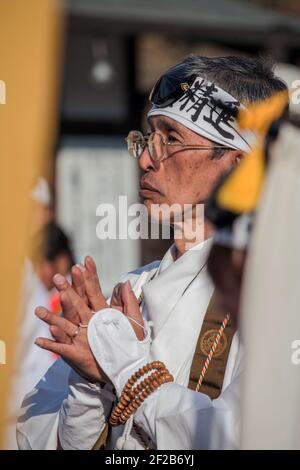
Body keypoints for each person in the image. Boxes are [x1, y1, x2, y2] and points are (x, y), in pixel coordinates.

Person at [17, 55, 287, 450]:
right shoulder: (130, 289)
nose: (144, 159)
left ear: (238, 165)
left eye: (171, 139)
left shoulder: (277, 296)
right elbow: (30, 438)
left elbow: (246, 437)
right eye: (147, 138)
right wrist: (91, 385)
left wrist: (128, 370)